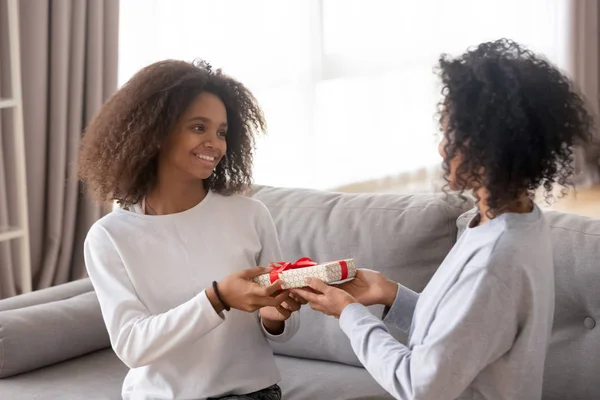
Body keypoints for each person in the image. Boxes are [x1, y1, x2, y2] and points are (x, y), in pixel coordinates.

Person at [292, 39, 593, 400]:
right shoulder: (504, 221)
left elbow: (419, 386)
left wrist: (350, 315)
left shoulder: (497, 262)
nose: (441, 146)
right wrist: (389, 294)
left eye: (452, 132)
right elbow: (462, 335)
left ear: (490, 146)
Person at [78, 60, 303, 400]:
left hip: (252, 393)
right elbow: (131, 345)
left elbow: (282, 332)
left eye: (222, 132)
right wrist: (218, 298)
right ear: (154, 133)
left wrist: (275, 316)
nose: (215, 143)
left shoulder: (250, 215)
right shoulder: (110, 236)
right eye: (199, 128)